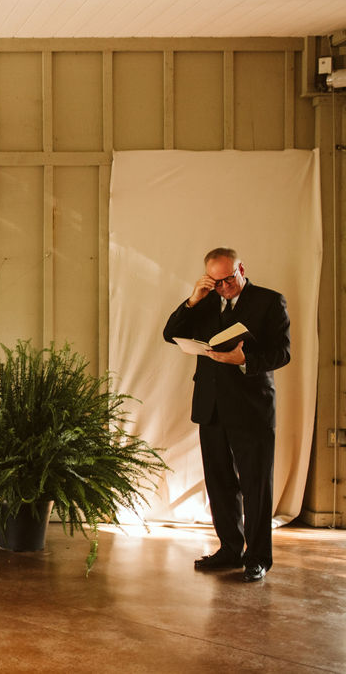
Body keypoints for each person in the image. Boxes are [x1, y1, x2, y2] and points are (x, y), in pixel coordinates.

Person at [162, 247, 290, 583]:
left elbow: (283, 352)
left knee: (255, 485)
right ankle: (230, 549)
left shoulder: (269, 301)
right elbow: (169, 333)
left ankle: (257, 557)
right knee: (220, 483)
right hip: (212, 405)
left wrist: (244, 361)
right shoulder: (205, 300)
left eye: (229, 279)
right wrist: (193, 299)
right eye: (216, 282)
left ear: (241, 269)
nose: (224, 287)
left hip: (252, 407)